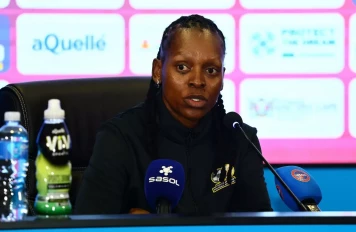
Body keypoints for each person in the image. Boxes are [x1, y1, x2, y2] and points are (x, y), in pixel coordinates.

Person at [74, 14, 273, 215]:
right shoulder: (119, 139)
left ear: (222, 78)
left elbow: (260, 225)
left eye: (211, 70)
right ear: (158, 70)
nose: (197, 80)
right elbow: (87, 227)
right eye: (182, 67)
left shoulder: (240, 139)